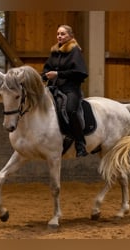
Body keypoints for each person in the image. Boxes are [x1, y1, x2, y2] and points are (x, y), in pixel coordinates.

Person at [41, 24, 89, 157]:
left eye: (62, 34)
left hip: (71, 89)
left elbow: (80, 72)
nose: (59, 36)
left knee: (71, 110)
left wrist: (58, 74)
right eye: (58, 34)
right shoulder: (55, 52)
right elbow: (47, 69)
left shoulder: (75, 51)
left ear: (70, 36)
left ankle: (80, 143)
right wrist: (43, 76)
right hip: (54, 88)